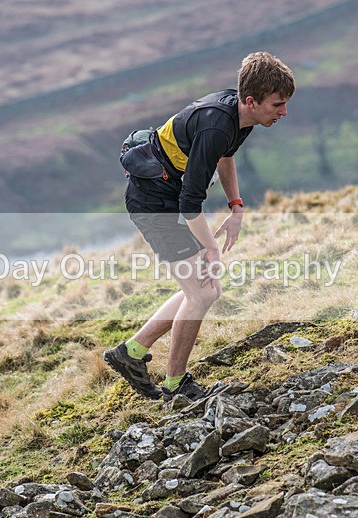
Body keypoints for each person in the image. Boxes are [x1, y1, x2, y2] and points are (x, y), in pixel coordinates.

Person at [104, 52, 295, 401]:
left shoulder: (242, 117)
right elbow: (190, 204)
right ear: (251, 100)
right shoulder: (215, 124)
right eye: (278, 105)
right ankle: (177, 386)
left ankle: (130, 354)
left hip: (166, 198)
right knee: (204, 291)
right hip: (153, 205)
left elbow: (225, 157)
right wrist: (210, 249)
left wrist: (235, 206)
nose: (283, 112)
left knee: (201, 289)